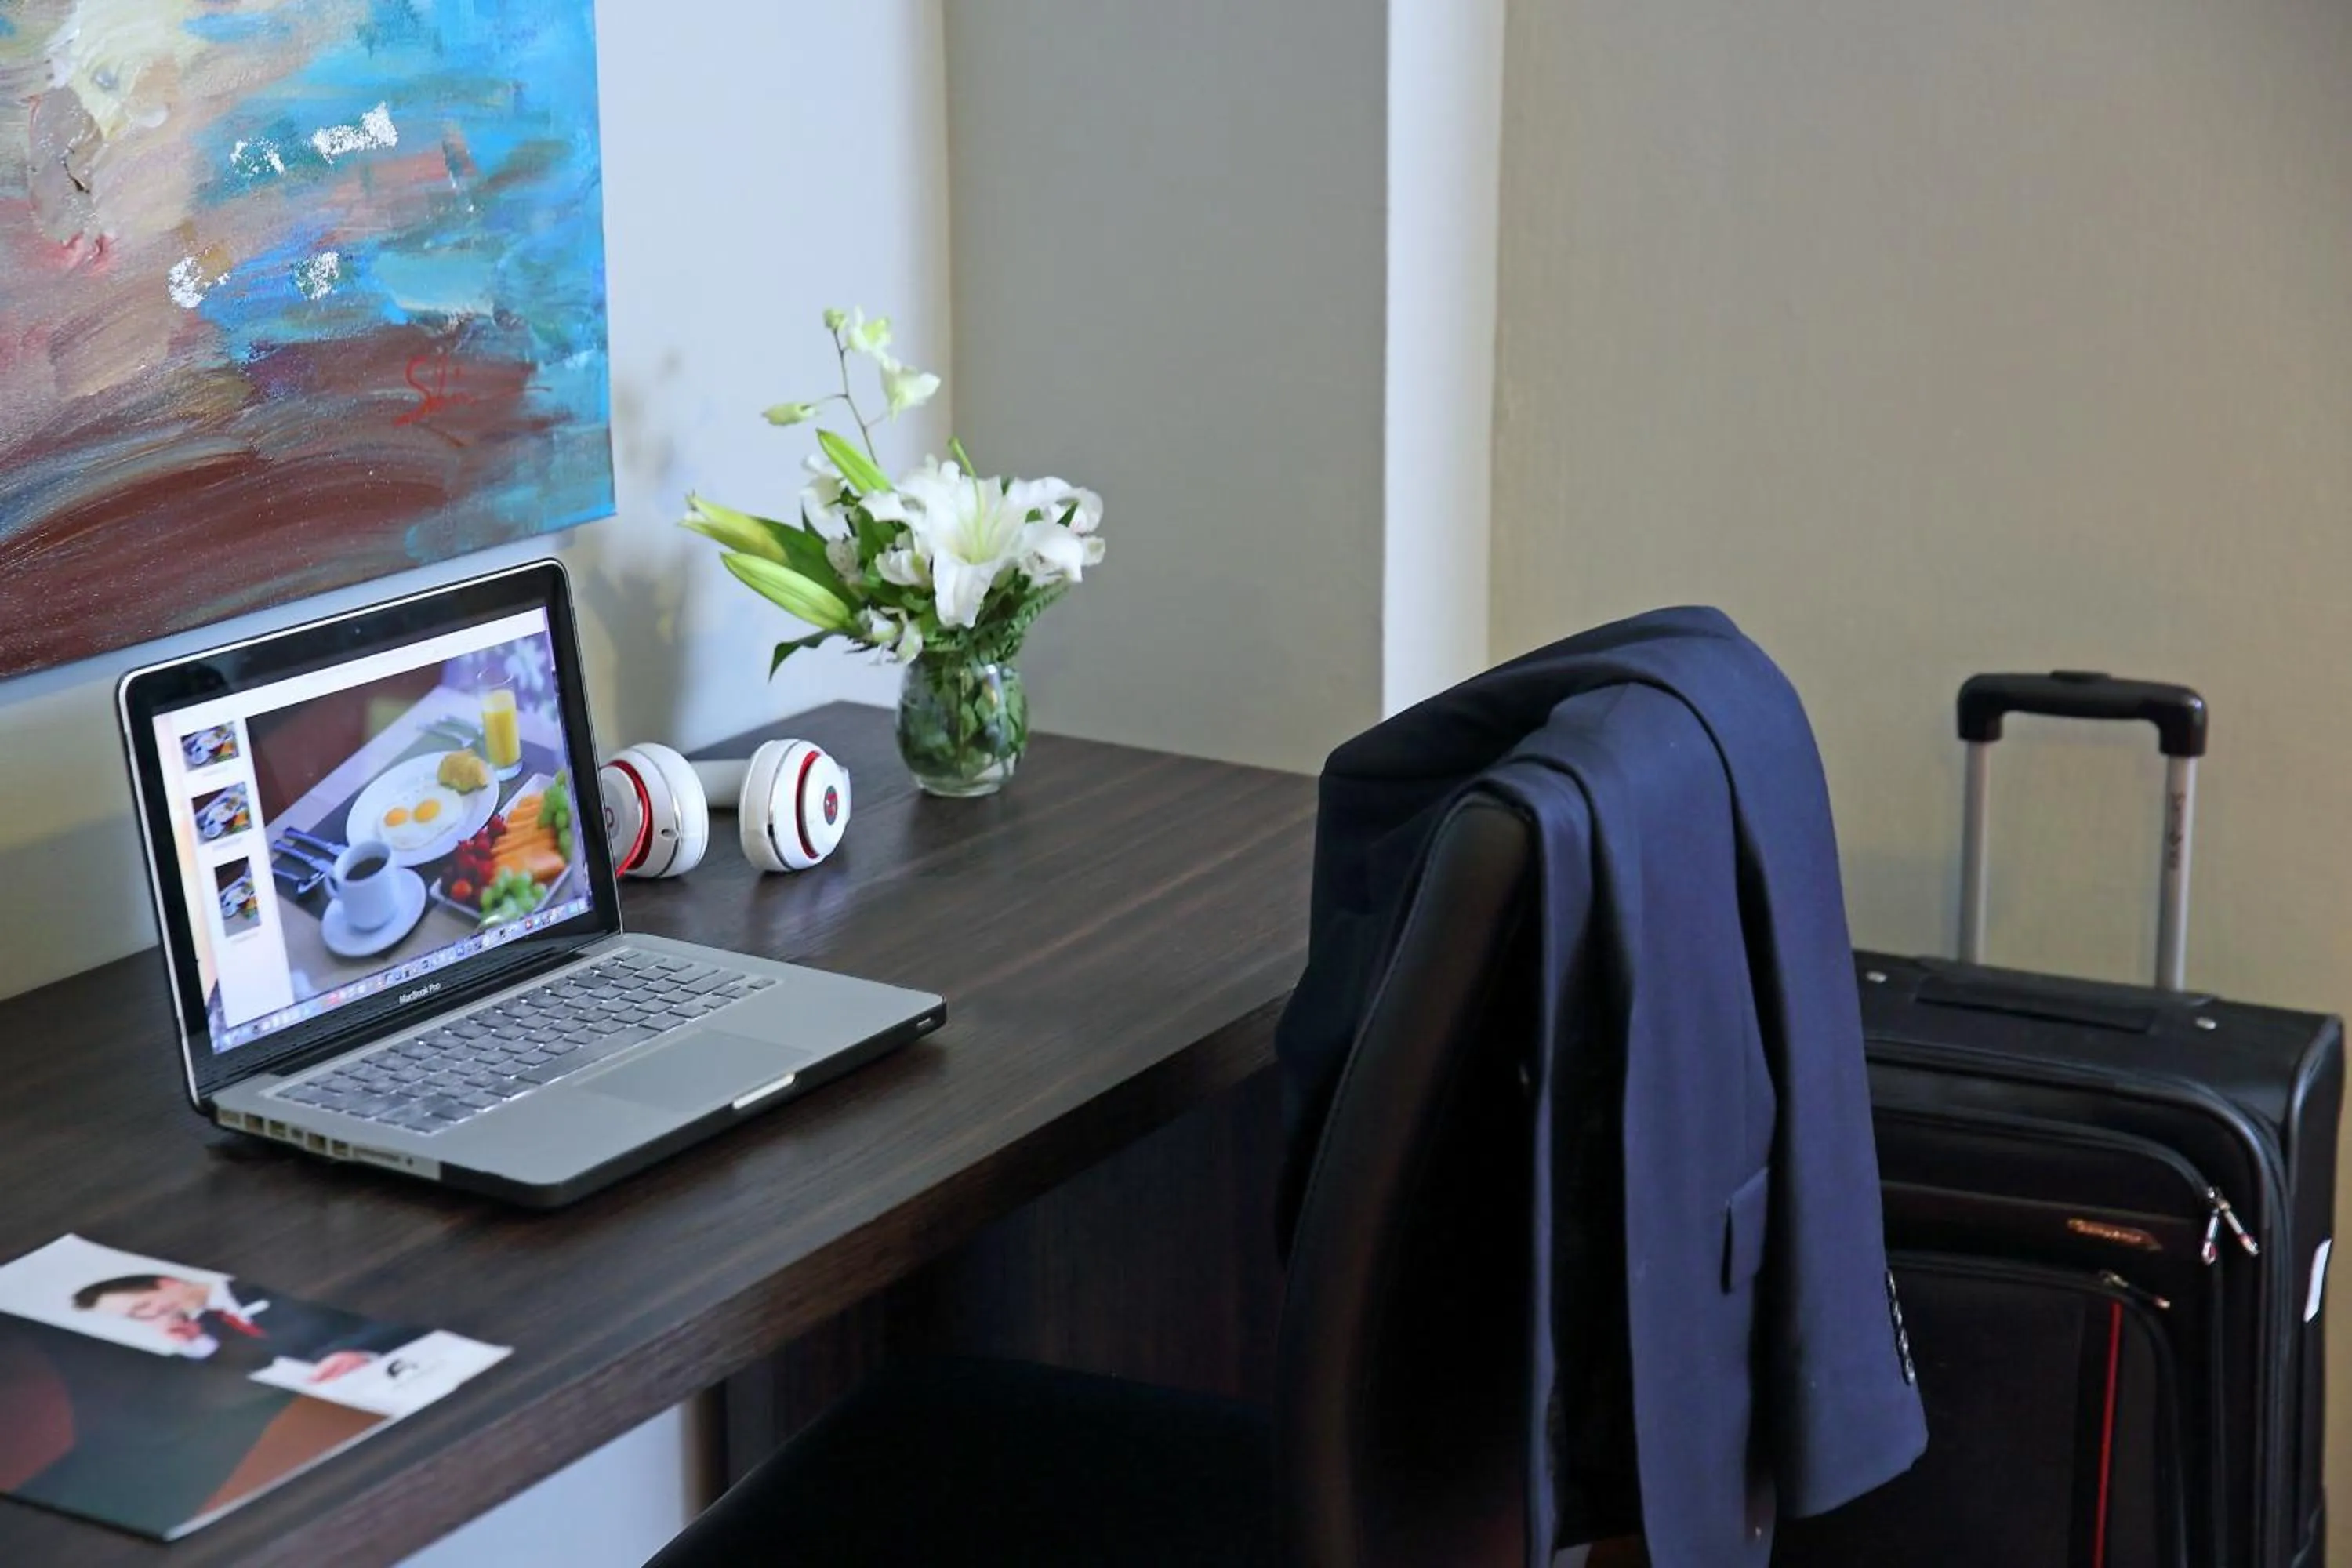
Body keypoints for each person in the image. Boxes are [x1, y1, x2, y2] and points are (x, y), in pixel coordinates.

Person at [71, 1272, 415, 1382]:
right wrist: (196, 1345)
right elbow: (253, 1365)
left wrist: (353, 1351)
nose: (151, 1318)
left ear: (167, 1282)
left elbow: (370, 1311)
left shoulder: (261, 1281)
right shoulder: (211, 1324)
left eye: (143, 1306)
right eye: (136, 1318)